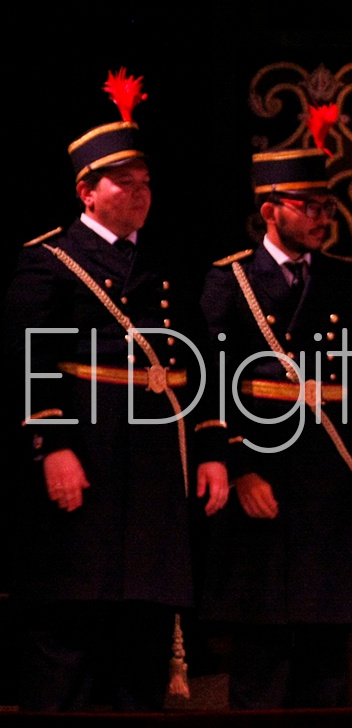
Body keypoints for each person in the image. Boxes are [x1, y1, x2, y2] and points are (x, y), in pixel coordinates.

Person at [2, 70, 229, 712]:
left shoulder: (166, 265)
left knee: (142, 646)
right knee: (70, 641)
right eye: (123, 182)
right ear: (87, 191)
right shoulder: (51, 259)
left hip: (155, 470)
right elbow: (29, 356)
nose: (139, 193)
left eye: (145, 182)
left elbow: (199, 362)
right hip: (89, 457)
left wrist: (212, 449)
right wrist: (53, 446)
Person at [197, 127, 352, 709]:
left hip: (329, 478)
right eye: (308, 206)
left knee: (327, 664)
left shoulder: (341, 278)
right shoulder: (229, 280)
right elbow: (212, 384)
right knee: (262, 661)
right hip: (264, 476)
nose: (322, 218)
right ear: (270, 210)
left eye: (327, 206)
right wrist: (239, 468)